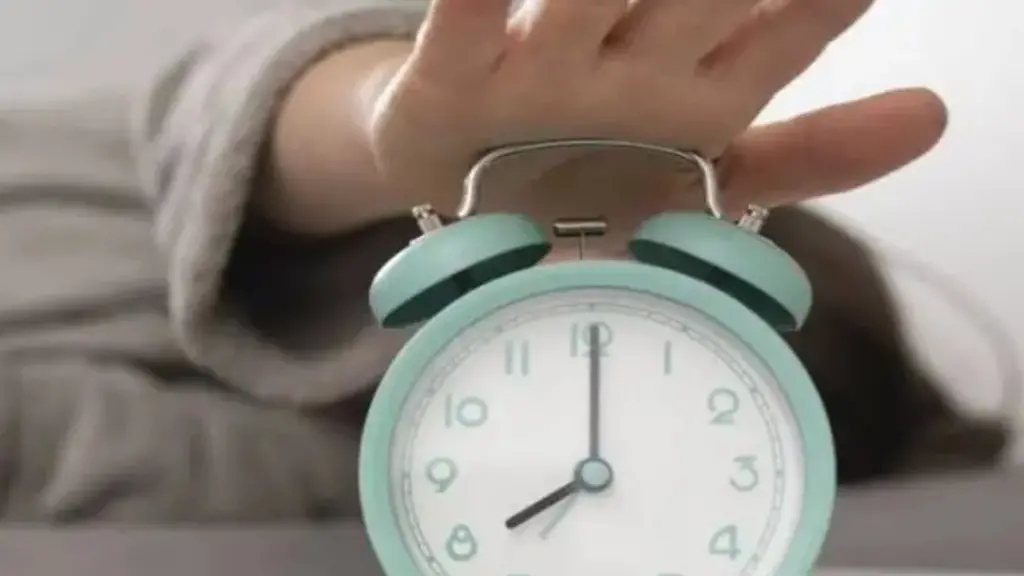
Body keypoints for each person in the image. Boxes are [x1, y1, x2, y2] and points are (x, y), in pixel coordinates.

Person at [0, 0, 947, 522]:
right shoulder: (191, 181)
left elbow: (77, 452)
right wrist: (372, 123)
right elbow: (215, 111)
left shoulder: (363, 470)